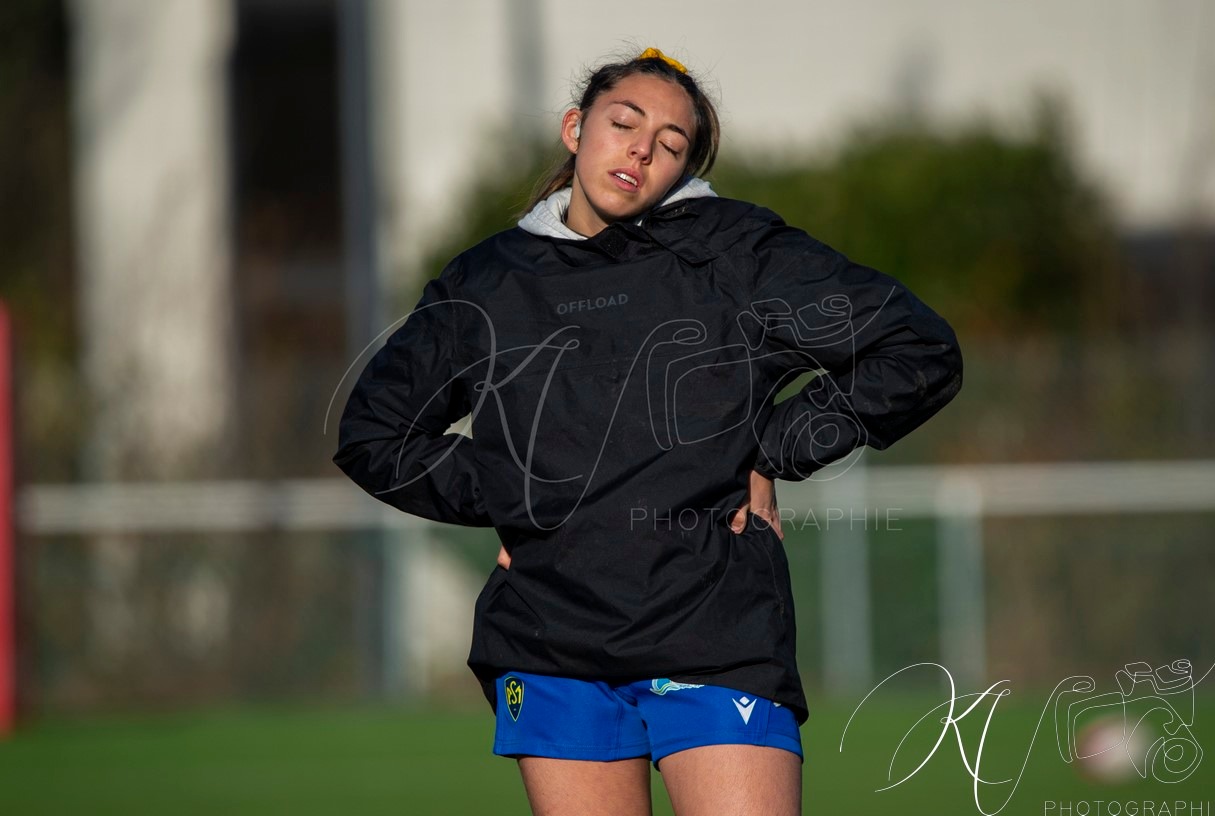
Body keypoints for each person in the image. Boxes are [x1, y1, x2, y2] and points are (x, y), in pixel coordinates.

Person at [334, 47, 963, 816]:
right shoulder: (488, 282)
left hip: (714, 631)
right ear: (575, 127)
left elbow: (916, 348)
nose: (641, 149)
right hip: (550, 639)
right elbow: (375, 432)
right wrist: (511, 491)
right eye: (624, 123)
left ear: (684, 170)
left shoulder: (735, 253)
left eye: (670, 145)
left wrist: (777, 447)